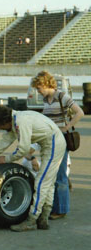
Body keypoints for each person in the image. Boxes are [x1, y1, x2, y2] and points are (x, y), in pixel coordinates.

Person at [0, 105, 66, 232]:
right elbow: (4, 142)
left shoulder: (21, 122)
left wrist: (6, 159)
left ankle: (32, 220)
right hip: (51, 143)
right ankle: (43, 218)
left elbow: (23, 149)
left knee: (41, 183)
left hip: (53, 144)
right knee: (48, 183)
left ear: (4, 122)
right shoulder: (15, 119)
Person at [30, 71, 84, 220]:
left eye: (39, 88)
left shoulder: (61, 96)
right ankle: (55, 207)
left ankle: (61, 210)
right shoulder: (46, 100)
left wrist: (66, 127)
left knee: (60, 175)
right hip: (50, 140)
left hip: (61, 140)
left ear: (46, 84)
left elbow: (80, 112)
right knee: (52, 175)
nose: (38, 91)